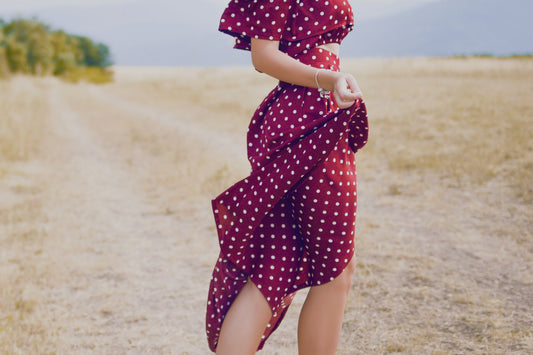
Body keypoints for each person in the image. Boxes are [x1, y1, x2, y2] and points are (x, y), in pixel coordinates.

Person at [206, 0, 369, 354]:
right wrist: (329, 78)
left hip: (307, 109)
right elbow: (263, 56)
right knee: (335, 269)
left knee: (278, 261)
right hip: (308, 111)